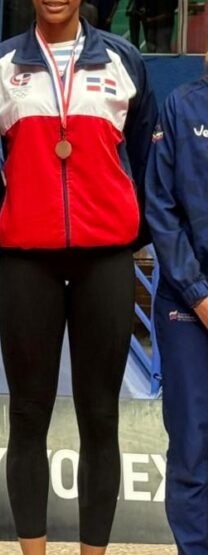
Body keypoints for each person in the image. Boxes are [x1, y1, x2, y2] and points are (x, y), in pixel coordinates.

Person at [0, 0, 157, 555]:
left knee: (100, 419)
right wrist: (13, 240)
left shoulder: (123, 63)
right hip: (26, 264)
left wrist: (120, 233)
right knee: (27, 416)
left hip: (105, 264)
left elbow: (138, 159)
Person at [145, 54, 208, 555]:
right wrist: (199, 294)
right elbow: (162, 211)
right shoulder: (180, 107)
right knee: (191, 443)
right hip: (189, 305)